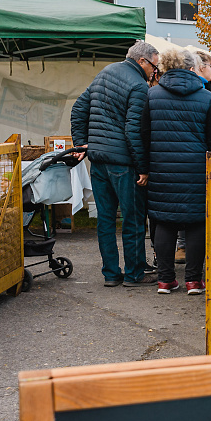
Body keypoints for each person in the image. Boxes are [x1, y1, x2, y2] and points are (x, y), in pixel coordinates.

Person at [71, 40, 160, 287]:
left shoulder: (105, 72)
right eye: (154, 66)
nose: (155, 72)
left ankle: (111, 274)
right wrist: (143, 168)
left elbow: (78, 108)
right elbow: (134, 131)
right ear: (142, 61)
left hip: (98, 160)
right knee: (133, 220)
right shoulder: (138, 85)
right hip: (124, 164)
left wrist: (82, 144)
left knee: (106, 220)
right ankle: (134, 274)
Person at [141, 49, 211, 294]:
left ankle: (165, 280)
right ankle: (193, 281)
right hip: (196, 172)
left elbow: (144, 135)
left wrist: (145, 167)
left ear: (165, 68)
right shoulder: (206, 98)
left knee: (165, 222)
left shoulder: (152, 95)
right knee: (196, 223)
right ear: (192, 69)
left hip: (161, 170)